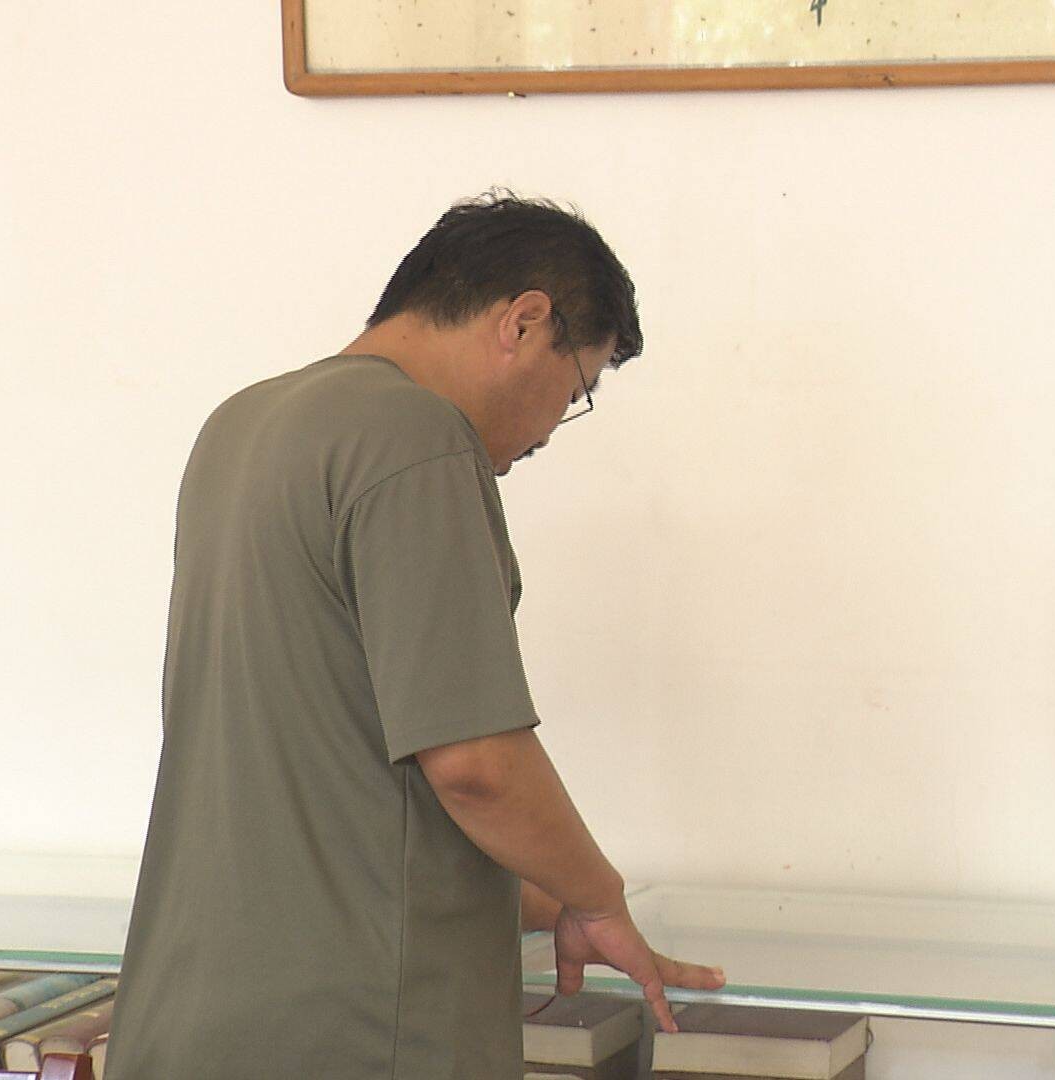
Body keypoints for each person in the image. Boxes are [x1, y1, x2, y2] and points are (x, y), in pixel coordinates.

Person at [109, 192, 723, 1080]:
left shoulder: (240, 425)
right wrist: (597, 897)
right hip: (353, 1032)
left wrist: (544, 898)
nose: (553, 428)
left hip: (187, 1013)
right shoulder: (415, 438)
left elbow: (329, 781)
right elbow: (474, 764)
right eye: (576, 388)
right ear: (524, 321)